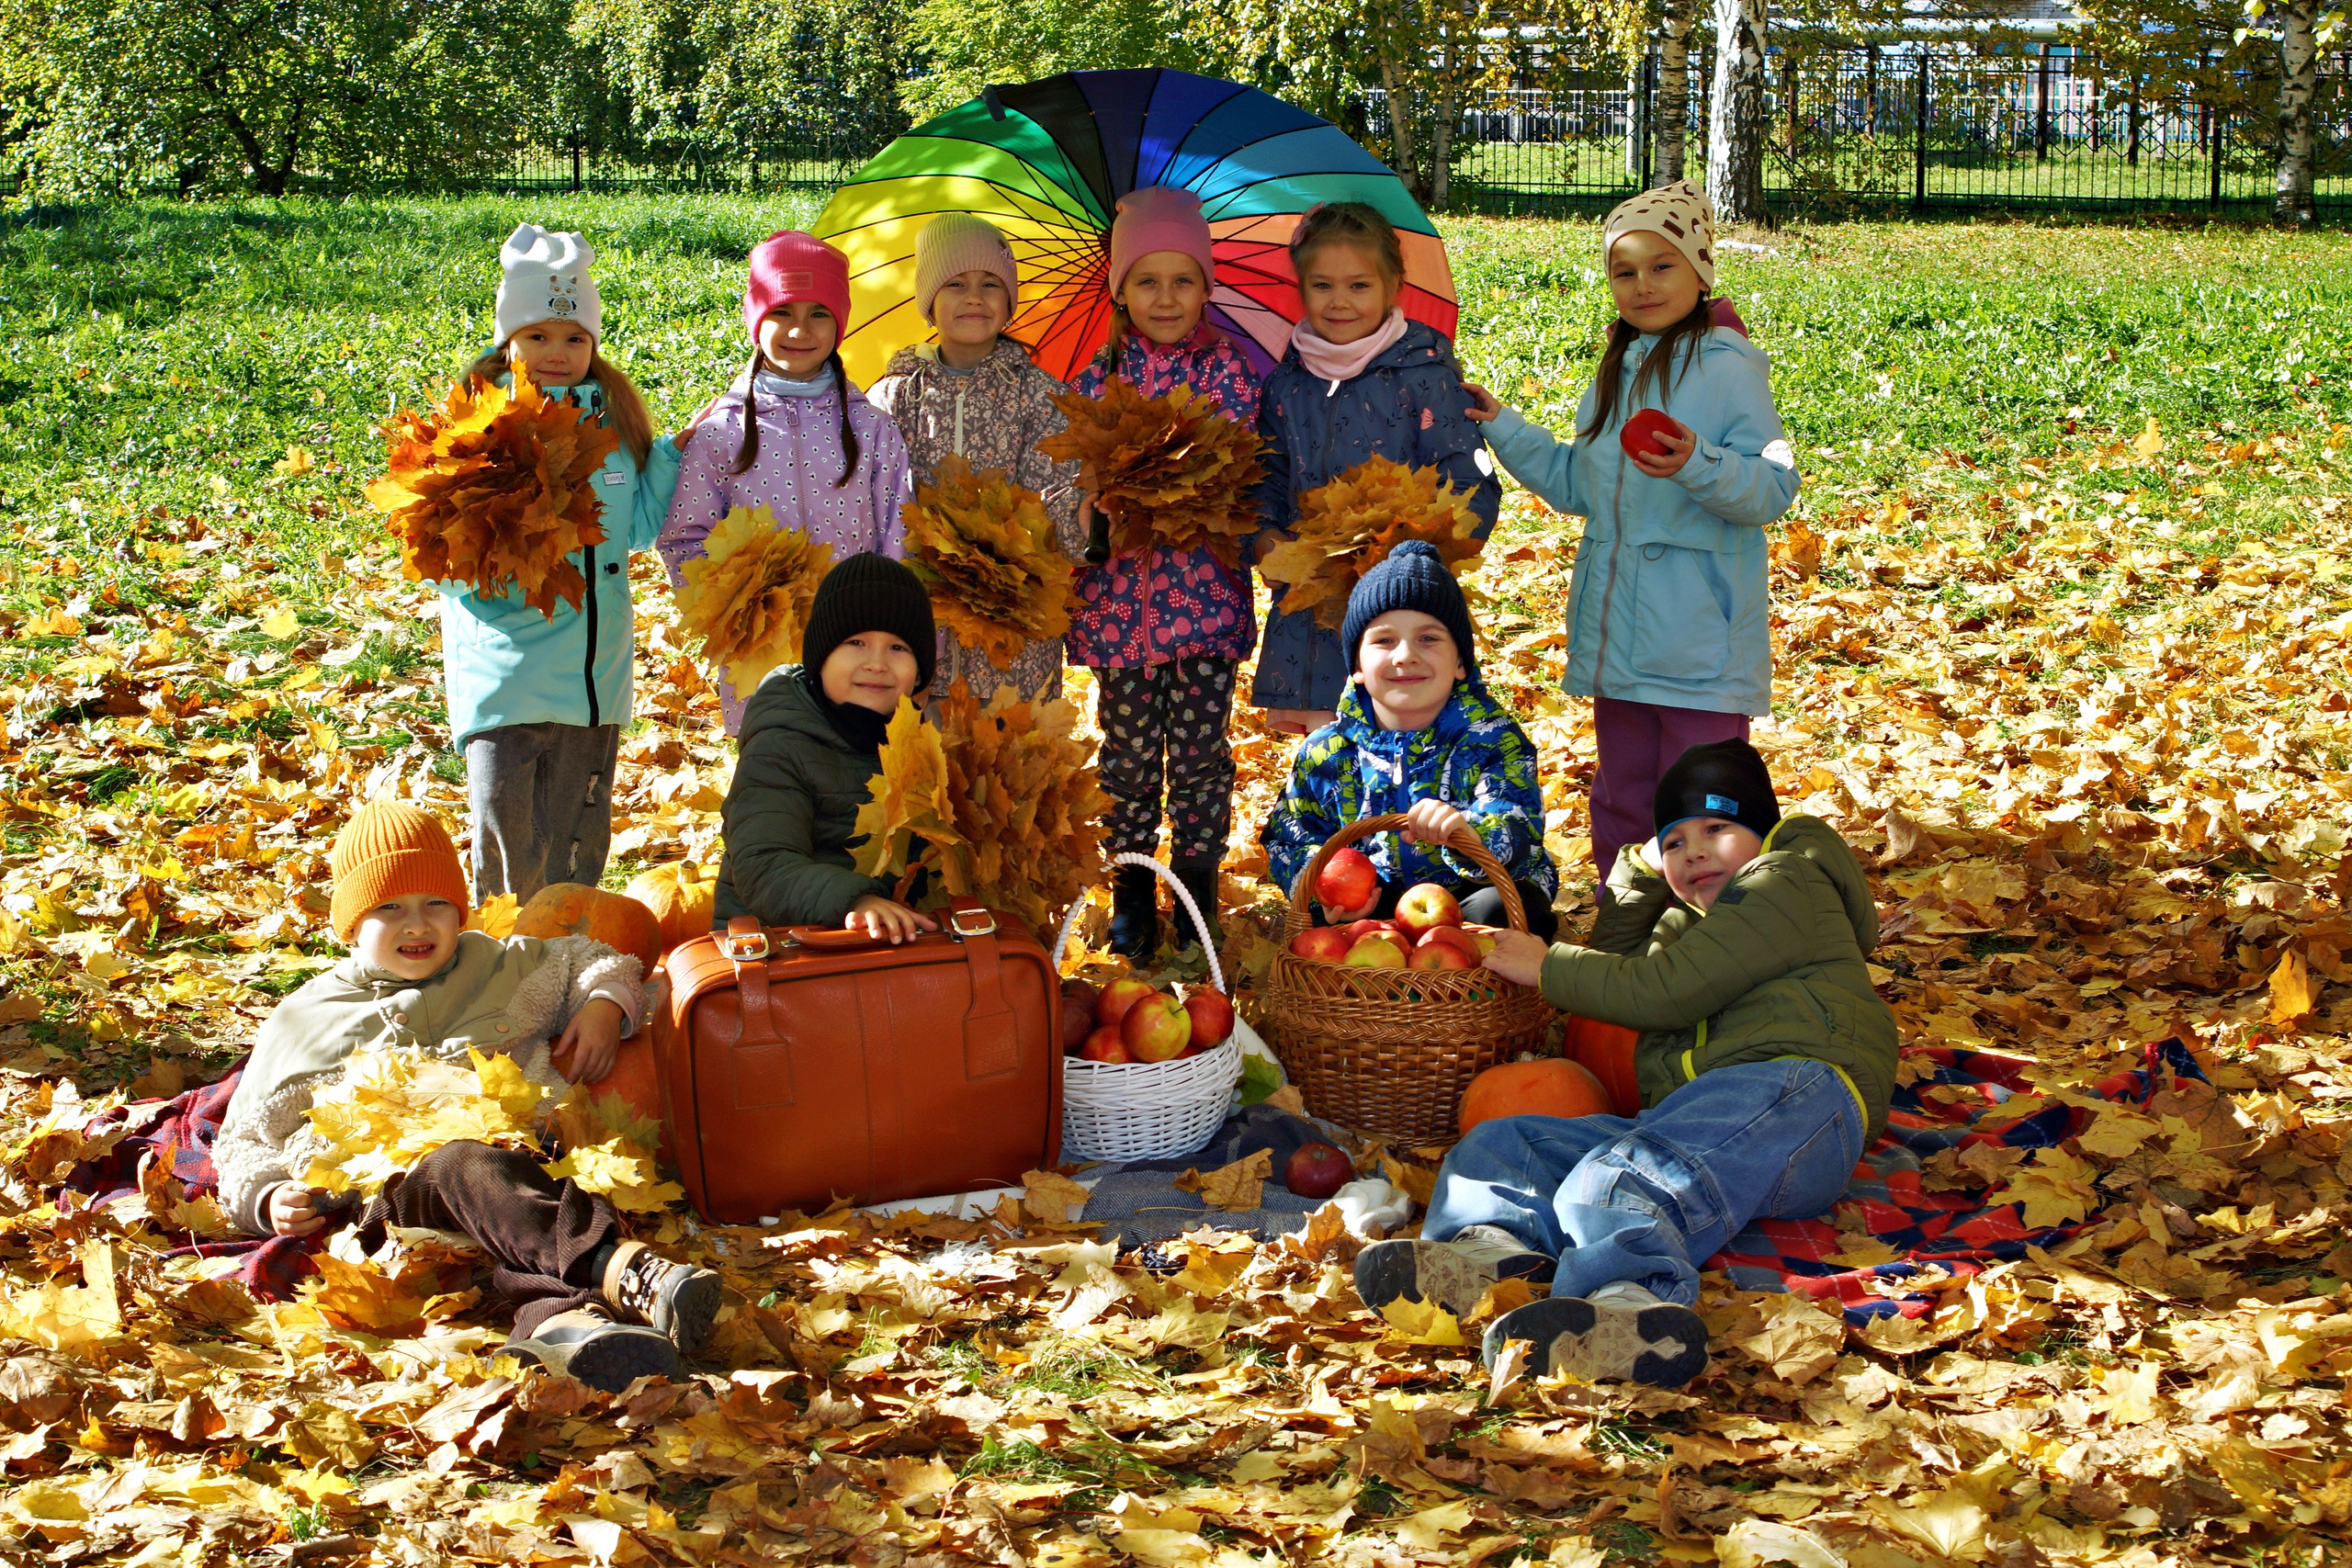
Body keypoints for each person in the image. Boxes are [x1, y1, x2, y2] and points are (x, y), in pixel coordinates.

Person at [1351, 739, 1897, 1389]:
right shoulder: (1690, 923)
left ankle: (1631, 1309)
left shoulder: (1786, 880)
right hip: (1708, 1120)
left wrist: (1546, 965)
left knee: (1619, 1179)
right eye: (1674, 841)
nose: (1693, 851)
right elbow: (1615, 956)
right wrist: (1641, 867)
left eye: (1717, 829)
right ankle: (1488, 1257)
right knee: (1504, 1144)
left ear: (1765, 832)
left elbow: (1665, 989)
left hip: (1803, 1095)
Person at [213, 799, 722, 1392]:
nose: (417, 925)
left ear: (460, 911)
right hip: (389, 1200)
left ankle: (567, 1329)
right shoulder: (305, 1019)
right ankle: (622, 1268)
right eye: (389, 908)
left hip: (523, 1171)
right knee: (460, 1164)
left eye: (436, 904)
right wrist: (268, 1197)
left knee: (516, 1196)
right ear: (350, 924)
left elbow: (594, 956)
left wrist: (605, 1003)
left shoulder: (502, 966)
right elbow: (242, 1141)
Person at [1463, 181, 1799, 877]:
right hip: (1620, 639)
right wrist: (1501, 424)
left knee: (1706, 801)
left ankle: (1716, 921)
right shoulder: (1616, 369)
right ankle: (1624, 915)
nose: (1642, 285)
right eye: (1624, 271)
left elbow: (1772, 486)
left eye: (1661, 265)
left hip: (1699, 644)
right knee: (1622, 795)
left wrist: (1697, 462)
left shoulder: (1728, 367)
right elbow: (1576, 483)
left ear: (1701, 273)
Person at [446, 224, 680, 901]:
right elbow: (446, 557)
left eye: (576, 338)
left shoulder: (611, 427)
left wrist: (668, 457)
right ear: (507, 342)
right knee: (509, 838)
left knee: (578, 840)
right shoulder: (479, 431)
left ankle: (571, 948)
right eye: (538, 335)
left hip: (594, 682)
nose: (557, 352)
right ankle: (506, 954)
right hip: (508, 678)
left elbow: (636, 530)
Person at [1067, 188, 1263, 957]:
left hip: (1205, 606)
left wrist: (1186, 479)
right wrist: (1095, 506)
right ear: (1120, 290)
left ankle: (1196, 888)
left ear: (1207, 286)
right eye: (1147, 280)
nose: (1167, 297)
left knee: (1201, 757)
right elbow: (1074, 477)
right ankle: (1132, 888)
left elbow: (1240, 464)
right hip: (1120, 613)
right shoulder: (1098, 379)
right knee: (1126, 760)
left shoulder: (1229, 372)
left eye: (1184, 280)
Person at [1251, 201, 1499, 738]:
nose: (1339, 301)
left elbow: (1468, 482)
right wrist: (1265, 538)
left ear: (1393, 287)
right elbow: (1265, 475)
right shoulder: (1286, 384)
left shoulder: (1425, 377)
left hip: (1399, 609)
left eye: (1359, 286)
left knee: (1403, 743)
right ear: (1300, 288)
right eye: (1322, 285)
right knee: (1327, 750)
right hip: (1312, 605)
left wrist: (1417, 560)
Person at [659, 231, 914, 735]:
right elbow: (685, 537)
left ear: (839, 323)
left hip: (856, 646)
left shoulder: (872, 428)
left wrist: (887, 631)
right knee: (773, 766)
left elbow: (898, 532)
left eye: (819, 313)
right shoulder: (721, 431)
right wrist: (728, 612)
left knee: (854, 770)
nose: (800, 329)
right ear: (756, 320)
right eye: (782, 311)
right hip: (758, 651)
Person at [1261, 541, 1557, 940]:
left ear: (1460, 663)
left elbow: (1516, 819)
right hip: (1374, 902)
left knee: (1507, 909)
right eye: (1384, 641)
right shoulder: (1328, 750)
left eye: (1428, 639)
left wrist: (1468, 832)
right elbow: (1290, 834)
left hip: (1465, 895)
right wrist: (1321, 886)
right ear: (1357, 666)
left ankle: (1466, 972)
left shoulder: (1492, 739)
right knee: (1330, 929)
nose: (1405, 656)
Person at [867, 214, 1082, 705]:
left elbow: (1056, 497)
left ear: (1009, 302)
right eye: (955, 284)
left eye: (990, 284)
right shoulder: (895, 396)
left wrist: (1078, 529)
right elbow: (876, 496)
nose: (974, 297)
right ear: (929, 303)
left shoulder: (1041, 396)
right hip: (921, 616)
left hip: (1015, 621)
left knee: (1011, 741)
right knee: (925, 738)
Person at [713, 552, 943, 943]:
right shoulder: (781, 743)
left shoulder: (920, 744)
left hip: (888, 943)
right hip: (784, 947)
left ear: (919, 670)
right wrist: (856, 900)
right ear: (821, 657)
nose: (876, 663)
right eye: (856, 642)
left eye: (898, 648)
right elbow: (763, 866)